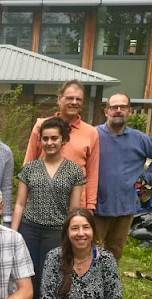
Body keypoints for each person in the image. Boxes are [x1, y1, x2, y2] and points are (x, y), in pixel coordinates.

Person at [12, 117, 85, 299]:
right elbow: (19, 204)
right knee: (30, 274)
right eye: (45, 138)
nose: (49, 143)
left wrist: (72, 234)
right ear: (40, 141)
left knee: (53, 274)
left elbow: (74, 210)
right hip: (30, 229)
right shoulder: (29, 169)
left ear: (63, 140)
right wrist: (13, 233)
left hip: (57, 231)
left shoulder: (74, 171)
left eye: (54, 138)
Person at [95, 93, 152, 262]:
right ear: (106, 112)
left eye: (122, 107)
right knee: (91, 249)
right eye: (114, 107)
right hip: (96, 205)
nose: (118, 110)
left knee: (115, 250)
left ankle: (110, 278)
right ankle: (89, 278)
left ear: (129, 111)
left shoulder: (140, 139)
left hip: (125, 206)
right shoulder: (94, 135)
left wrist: (148, 178)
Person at [24, 80, 99, 211]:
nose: (74, 102)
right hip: (42, 202)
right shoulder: (42, 126)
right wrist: (25, 199)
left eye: (78, 99)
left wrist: (90, 207)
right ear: (59, 99)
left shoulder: (91, 133)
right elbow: (28, 163)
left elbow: (92, 173)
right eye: (70, 98)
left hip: (75, 206)